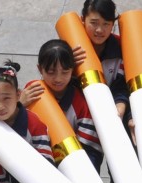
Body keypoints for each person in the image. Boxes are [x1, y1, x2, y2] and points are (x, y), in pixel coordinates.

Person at [22, 40, 104, 171]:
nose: (58, 79)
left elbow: (91, 150)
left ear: (73, 69)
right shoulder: (31, 95)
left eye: (65, 72)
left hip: (74, 172)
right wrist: (18, 106)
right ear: (39, 69)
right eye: (51, 72)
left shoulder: (81, 105)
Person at [81, 0, 129, 120]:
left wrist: (120, 105)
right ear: (83, 20)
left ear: (113, 24)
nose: (99, 30)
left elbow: (121, 86)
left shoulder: (122, 47)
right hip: (80, 112)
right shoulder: (71, 47)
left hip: (111, 111)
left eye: (106, 24)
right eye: (94, 23)